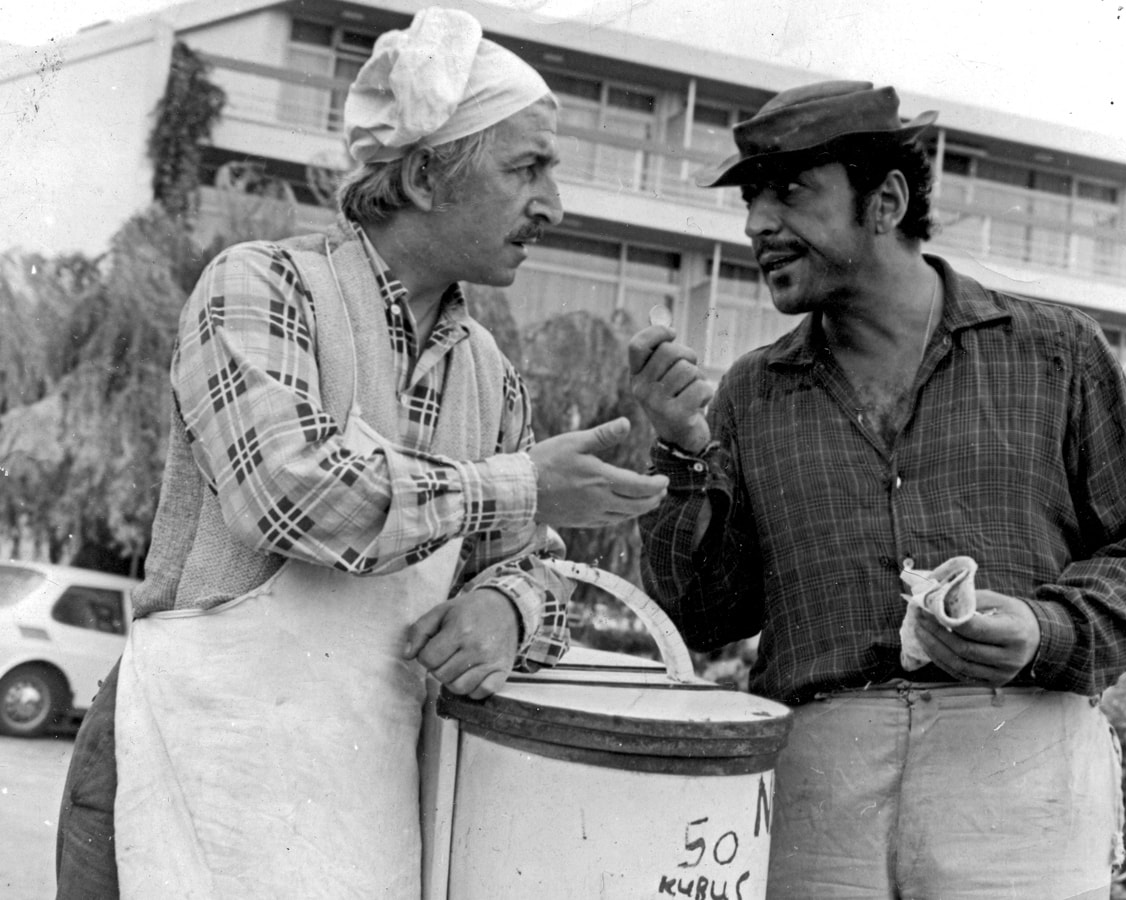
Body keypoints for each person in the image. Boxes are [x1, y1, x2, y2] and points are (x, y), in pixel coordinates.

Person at [55, 8, 668, 897]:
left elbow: (535, 571)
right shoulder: (262, 286)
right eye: (527, 168)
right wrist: (521, 488)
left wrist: (507, 608)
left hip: (353, 795)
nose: (554, 206)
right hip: (185, 759)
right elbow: (288, 494)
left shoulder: (490, 375)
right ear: (423, 175)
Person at [629, 80, 1126, 899]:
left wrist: (1046, 629)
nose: (756, 225)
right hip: (819, 794)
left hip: (1020, 779)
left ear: (886, 200)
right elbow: (704, 617)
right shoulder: (751, 392)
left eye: (790, 191)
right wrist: (681, 457)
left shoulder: (1057, 352)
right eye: (751, 200)